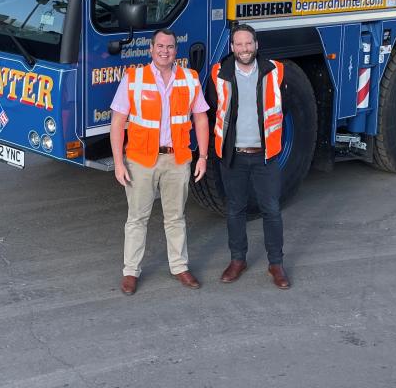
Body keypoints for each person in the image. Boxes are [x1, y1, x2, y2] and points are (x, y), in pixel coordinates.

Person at [109, 28, 210, 296]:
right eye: (160, 46)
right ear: (151, 49)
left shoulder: (190, 78)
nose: (165, 51)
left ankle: (179, 266)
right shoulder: (134, 78)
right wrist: (118, 163)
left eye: (170, 47)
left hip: (177, 159)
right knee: (137, 218)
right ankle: (131, 272)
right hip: (141, 160)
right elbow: (118, 122)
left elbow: (201, 117)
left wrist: (203, 156)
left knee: (175, 217)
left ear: (176, 51)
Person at [209, 24, 291, 289]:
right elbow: (217, 110)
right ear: (231, 47)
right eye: (239, 44)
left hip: (265, 156)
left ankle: (276, 264)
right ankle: (237, 260)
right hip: (233, 155)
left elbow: (283, 106)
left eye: (248, 43)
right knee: (235, 209)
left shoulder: (275, 71)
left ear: (256, 45)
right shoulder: (219, 73)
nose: (244, 49)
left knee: (272, 210)